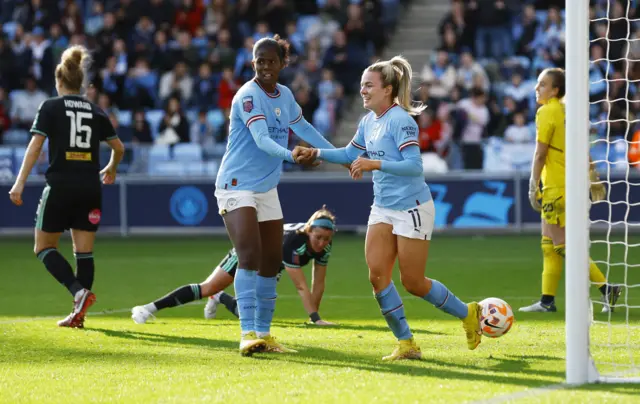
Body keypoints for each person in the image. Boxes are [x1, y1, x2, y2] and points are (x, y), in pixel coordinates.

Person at [292, 56, 483, 361]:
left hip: (413, 208)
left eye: (369, 85)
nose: (363, 91)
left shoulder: (401, 120)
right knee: (377, 276)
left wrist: (372, 163)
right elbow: (347, 154)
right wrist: (316, 152)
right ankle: (406, 342)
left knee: (413, 282)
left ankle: (468, 313)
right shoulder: (368, 122)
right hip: (382, 208)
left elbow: (413, 166)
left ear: (388, 89)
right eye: (361, 85)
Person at [214, 35, 336, 356]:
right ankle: (246, 334)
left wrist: (336, 155)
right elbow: (262, 139)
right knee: (250, 256)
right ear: (253, 63)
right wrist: (292, 155)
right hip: (237, 185)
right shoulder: (248, 96)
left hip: (266, 187)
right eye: (259, 60)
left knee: (271, 263)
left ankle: (264, 335)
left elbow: (304, 128)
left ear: (283, 64)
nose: (265, 66)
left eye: (271, 61)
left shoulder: (284, 95)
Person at [8, 45, 125, 328]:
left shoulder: (49, 106)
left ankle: (78, 292)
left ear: (59, 82)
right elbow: (118, 147)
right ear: (81, 84)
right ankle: (79, 315)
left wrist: (19, 183)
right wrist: (111, 167)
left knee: (43, 246)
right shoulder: (96, 110)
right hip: (89, 187)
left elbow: (35, 146)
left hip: (60, 185)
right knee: (84, 252)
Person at [520, 67, 622, 313]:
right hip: (568, 183)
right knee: (548, 243)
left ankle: (606, 288)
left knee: (563, 245)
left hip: (555, 186)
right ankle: (547, 300)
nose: (537, 88)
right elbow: (581, 148)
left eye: (542, 84)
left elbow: (540, 152)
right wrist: (592, 177)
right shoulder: (568, 111)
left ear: (555, 90)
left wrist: (533, 183)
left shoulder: (547, 111)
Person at [131, 207, 337, 327]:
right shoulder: (294, 241)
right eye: (318, 237)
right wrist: (316, 319)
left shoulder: (324, 246)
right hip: (248, 250)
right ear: (308, 231)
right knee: (208, 287)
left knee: (255, 316)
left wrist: (314, 319)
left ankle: (220, 297)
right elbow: (301, 286)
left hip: (270, 263)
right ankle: (147, 309)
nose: (321, 243)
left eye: (326, 239)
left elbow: (318, 283)